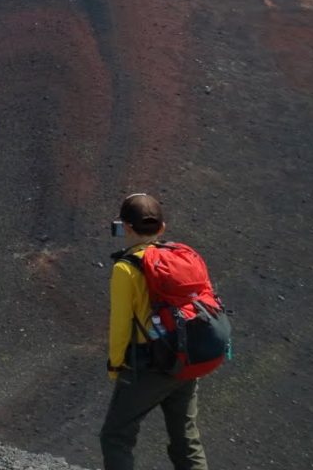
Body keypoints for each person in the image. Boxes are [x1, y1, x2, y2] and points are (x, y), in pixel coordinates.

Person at [100, 193, 209, 470]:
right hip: (187, 358)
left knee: (115, 437)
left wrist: (116, 366)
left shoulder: (126, 268)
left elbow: (121, 325)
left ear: (125, 227)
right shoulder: (182, 258)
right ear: (162, 228)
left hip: (148, 364)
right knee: (186, 438)